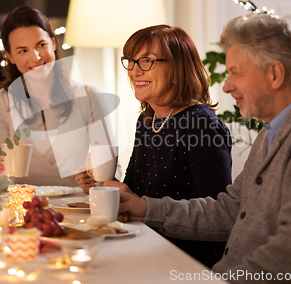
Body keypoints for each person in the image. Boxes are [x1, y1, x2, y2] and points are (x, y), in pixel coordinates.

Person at [118, 14, 291, 281]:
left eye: (235, 73)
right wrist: (147, 209)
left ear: (274, 74)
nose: (226, 86)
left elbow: (287, 260)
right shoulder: (274, 131)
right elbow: (230, 210)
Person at [77, 25, 232, 268]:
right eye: (131, 61)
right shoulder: (148, 120)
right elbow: (134, 192)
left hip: (185, 260)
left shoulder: (201, 125)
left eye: (147, 61)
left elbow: (216, 216)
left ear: (177, 68)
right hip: (144, 244)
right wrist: (99, 184)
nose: (134, 71)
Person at [0, 6, 115, 187]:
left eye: (41, 45)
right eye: (23, 50)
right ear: (10, 56)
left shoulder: (89, 97)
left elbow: (112, 170)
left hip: (77, 207)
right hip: (22, 208)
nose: (36, 57)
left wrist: (96, 179)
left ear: (53, 43)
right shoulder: (0, 102)